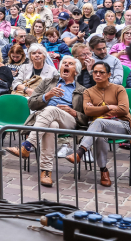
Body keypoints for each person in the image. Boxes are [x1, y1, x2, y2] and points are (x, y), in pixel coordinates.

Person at [6, 55, 85, 187]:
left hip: (68, 120)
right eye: (64, 63)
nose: (65, 65)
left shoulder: (81, 90)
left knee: (51, 110)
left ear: (76, 71)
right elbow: (31, 103)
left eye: (70, 64)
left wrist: (73, 112)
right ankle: (46, 172)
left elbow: (86, 116)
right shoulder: (47, 82)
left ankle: (26, 146)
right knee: (51, 126)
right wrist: (47, 95)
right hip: (46, 119)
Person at [64, 61, 131, 187]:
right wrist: (108, 107)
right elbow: (87, 111)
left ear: (109, 74)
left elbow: (123, 109)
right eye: (95, 72)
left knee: (98, 121)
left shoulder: (119, 89)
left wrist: (98, 108)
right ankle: (103, 171)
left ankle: (80, 152)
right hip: (98, 127)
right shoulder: (88, 92)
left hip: (121, 125)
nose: (97, 74)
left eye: (101, 72)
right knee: (99, 133)